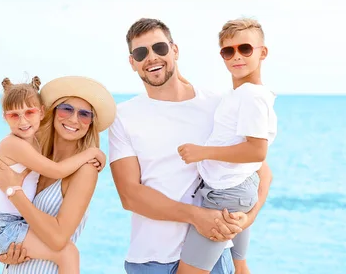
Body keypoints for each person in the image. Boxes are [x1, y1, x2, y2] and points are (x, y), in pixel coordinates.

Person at [108, 18, 273, 274]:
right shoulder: (122, 116)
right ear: (132, 62)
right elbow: (130, 195)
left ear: (174, 50)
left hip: (216, 255)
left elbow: (260, 172)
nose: (152, 57)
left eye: (160, 48)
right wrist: (197, 217)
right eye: (141, 52)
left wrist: (247, 219)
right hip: (151, 260)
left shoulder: (217, 104)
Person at [0, 76, 107, 274]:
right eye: (66, 109)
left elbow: (57, 238)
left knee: (69, 254)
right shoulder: (37, 156)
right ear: (52, 112)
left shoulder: (85, 170)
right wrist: (5, 253)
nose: (73, 119)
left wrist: (13, 191)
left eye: (84, 114)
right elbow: (11, 224)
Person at [176, 18, 277, 274]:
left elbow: (257, 150)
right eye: (228, 51)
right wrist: (172, 70)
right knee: (239, 267)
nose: (236, 56)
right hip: (238, 187)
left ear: (262, 52)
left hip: (225, 193)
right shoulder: (242, 94)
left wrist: (203, 152)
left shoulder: (251, 96)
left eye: (245, 48)